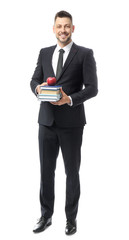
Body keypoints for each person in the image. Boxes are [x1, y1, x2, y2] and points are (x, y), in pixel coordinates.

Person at [30, 10, 98, 235]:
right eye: (59, 26)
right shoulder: (44, 52)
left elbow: (92, 88)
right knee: (46, 171)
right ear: (54, 28)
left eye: (67, 26)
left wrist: (70, 99)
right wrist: (37, 88)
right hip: (46, 122)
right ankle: (46, 215)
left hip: (71, 124)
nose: (63, 30)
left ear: (73, 28)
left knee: (72, 172)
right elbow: (34, 80)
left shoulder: (84, 54)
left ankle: (71, 219)